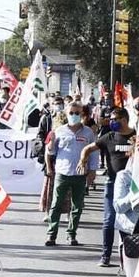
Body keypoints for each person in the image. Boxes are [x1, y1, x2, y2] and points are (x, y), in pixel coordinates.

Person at [44, 101, 98, 246]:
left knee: (77, 207)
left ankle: (71, 234)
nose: (74, 115)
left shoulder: (88, 132)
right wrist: (50, 145)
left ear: (82, 114)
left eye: (77, 113)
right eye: (71, 113)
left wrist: (93, 170)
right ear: (66, 114)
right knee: (56, 205)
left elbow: (94, 152)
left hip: (80, 174)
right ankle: (51, 235)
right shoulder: (59, 131)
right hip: (62, 173)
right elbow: (51, 152)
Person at [86, 106, 133, 267]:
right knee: (109, 220)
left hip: (132, 186)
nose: (111, 122)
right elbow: (89, 148)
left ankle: (127, 257)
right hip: (112, 183)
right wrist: (83, 161)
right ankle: (105, 255)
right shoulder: (109, 137)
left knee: (128, 223)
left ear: (124, 120)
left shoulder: (137, 137)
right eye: (110, 119)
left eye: (114, 120)